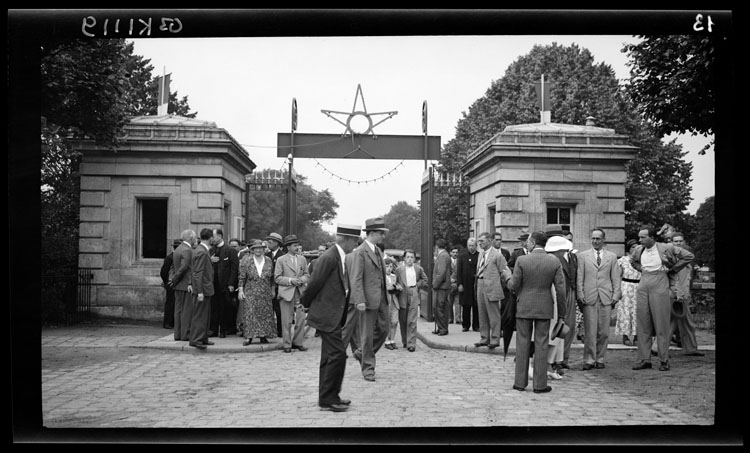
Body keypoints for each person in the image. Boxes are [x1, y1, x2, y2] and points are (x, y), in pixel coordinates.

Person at [300, 223, 361, 412]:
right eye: (354, 241)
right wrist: (305, 302)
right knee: (338, 355)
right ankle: (329, 397)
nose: (356, 244)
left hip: (333, 314)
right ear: (346, 240)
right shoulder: (329, 257)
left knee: (329, 356)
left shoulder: (338, 256)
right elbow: (315, 282)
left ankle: (327, 397)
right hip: (328, 315)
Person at [507, 231, 566, 394]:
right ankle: (540, 385)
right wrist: (562, 314)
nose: (526, 243)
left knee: (522, 343)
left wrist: (506, 277)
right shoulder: (554, 261)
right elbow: (561, 290)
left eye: (528, 241)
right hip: (544, 307)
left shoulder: (522, 260)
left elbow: (514, 285)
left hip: (524, 306)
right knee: (542, 344)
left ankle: (519, 382)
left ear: (533, 243)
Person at [631, 226, 695, 371]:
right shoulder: (639, 250)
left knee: (662, 323)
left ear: (652, 237)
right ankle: (644, 359)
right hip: (644, 282)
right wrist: (641, 269)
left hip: (661, 282)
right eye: (639, 237)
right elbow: (632, 262)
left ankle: (663, 359)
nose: (639, 240)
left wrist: (673, 268)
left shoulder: (666, 247)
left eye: (643, 237)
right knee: (643, 323)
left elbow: (689, 256)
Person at [348, 217, 390, 382]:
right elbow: (356, 278)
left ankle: (361, 353)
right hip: (367, 300)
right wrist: (359, 300)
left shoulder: (378, 251)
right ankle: (368, 368)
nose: (383, 236)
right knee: (366, 335)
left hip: (381, 298)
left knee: (384, 329)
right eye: (381, 233)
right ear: (372, 233)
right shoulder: (360, 252)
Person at [575, 228, 621, 370]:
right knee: (590, 331)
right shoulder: (583, 256)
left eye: (598, 239)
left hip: (606, 297)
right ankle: (589, 359)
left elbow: (616, 277)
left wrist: (616, 295)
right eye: (593, 238)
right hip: (589, 296)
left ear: (603, 240)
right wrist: (580, 294)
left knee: (604, 332)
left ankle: (600, 358)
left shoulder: (612, 257)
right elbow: (580, 277)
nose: (595, 241)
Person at [668, 233, 704, 357]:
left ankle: (691, 348)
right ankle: (658, 348)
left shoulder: (687, 258)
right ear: (671, 242)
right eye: (675, 241)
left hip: (684, 295)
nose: (678, 243)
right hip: (675, 295)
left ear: (684, 242)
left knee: (686, 322)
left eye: (680, 241)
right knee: (670, 322)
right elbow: (673, 278)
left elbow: (688, 279)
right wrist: (678, 294)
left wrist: (688, 294)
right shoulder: (670, 259)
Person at [474, 232, 511, 349]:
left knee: (493, 314)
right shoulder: (481, 255)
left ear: (489, 241)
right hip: (480, 284)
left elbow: (504, 270)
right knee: (482, 312)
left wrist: (509, 283)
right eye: (479, 241)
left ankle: (495, 338)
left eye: (482, 241)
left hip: (492, 286)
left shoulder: (497, 255)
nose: (479, 243)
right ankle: (484, 337)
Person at [544, 235, 574, 379]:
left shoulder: (549, 259)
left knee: (555, 333)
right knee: (554, 333)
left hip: (551, 298)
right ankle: (549, 364)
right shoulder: (554, 261)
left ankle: (553, 362)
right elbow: (559, 286)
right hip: (553, 299)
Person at [274, 234, 310, 353]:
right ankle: (287, 344)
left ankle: (298, 343)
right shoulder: (281, 260)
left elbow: (307, 274)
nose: (297, 247)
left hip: (300, 293)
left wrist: (302, 280)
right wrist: (290, 280)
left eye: (298, 245)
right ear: (288, 247)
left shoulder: (302, 259)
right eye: (294, 245)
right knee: (286, 321)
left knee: (301, 320)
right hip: (286, 293)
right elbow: (277, 278)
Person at [237, 239, 277, 346]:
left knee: (264, 313)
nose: (258, 250)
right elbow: (241, 277)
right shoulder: (247, 260)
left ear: (264, 249)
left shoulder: (268, 260)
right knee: (250, 313)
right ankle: (249, 337)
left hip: (265, 290)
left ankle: (263, 336)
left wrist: (273, 289)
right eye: (256, 248)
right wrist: (240, 290)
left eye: (260, 248)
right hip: (250, 290)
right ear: (252, 250)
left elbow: (272, 278)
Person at [394, 249, 428, 351]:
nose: (410, 259)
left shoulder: (418, 269)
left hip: (413, 291)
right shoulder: (399, 270)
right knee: (403, 319)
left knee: (412, 320)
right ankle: (405, 340)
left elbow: (425, 279)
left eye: (411, 257)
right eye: (408, 257)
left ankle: (411, 343)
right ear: (404, 258)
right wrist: (397, 286)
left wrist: (417, 285)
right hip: (402, 293)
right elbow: (394, 281)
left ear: (414, 259)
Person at [187, 228, 215, 350]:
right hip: (202, 289)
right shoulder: (201, 252)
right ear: (211, 238)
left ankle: (203, 337)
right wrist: (199, 292)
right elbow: (197, 273)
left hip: (205, 288)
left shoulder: (202, 250)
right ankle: (196, 339)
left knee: (205, 315)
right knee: (200, 315)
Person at [209, 229, 239, 338]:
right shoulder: (210, 250)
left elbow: (234, 268)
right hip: (213, 284)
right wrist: (210, 260)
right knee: (213, 307)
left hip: (225, 284)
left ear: (220, 236)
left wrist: (231, 283)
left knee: (224, 307)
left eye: (214, 236)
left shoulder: (230, 250)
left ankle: (223, 330)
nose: (212, 239)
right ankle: (213, 329)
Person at [168, 230, 196, 341]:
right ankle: (185, 334)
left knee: (178, 310)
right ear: (190, 238)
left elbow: (173, 267)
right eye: (194, 238)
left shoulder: (178, 249)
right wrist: (174, 279)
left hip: (178, 284)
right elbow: (184, 268)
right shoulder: (187, 250)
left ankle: (178, 334)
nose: (195, 240)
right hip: (185, 284)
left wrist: (172, 279)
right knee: (186, 311)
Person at [616, 239, 641, 347]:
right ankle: (625, 336)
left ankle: (637, 336)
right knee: (625, 311)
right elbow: (618, 275)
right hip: (626, 286)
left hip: (639, 286)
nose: (635, 249)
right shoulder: (623, 260)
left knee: (638, 312)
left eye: (637, 247)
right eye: (632, 247)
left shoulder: (643, 260)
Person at [455, 237, 480, 332]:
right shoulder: (462, 256)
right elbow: (459, 271)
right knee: (466, 305)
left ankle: (476, 325)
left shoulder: (479, 255)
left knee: (476, 305)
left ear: (476, 246)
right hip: (465, 284)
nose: (471, 248)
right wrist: (459, 284)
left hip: (476, 284)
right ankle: (465, 325)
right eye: (469, 245)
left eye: (473, 246)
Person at [265, 232, 286, 338]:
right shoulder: (266, 256)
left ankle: (280, 331)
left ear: (277, 243)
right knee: (268, 310)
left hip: (279, 287)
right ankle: (270, 331)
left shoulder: (283, 256)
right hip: (267, 287)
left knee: (279, 310)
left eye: (271, 241)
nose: (268, 243)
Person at [160, 238, 181, 329]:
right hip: (171, 283)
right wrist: (167, 282)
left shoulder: (173, 257)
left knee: (174, 303)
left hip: (174, 283)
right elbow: (163, 271)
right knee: (170, 303)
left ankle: (171, 322)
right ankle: (167, 322)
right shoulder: (170, 257)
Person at [383, 257, 403, 350]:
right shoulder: (381, 277)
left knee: (394, 321)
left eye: (391, 266)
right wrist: (388, 288)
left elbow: (398, 285)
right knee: (387, 321)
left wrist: (398, 287)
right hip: (386, 301)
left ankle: (392, 340)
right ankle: (387, 341)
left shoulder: (394, 276)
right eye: (387, 266)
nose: (389, 269)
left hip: (394, 301)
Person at [449, 245, 462, 325]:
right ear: (450, 253)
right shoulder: (448, 261)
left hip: (457, 283)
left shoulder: (460, 261)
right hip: (449, 284)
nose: (455, 254)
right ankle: (450, 318)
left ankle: (458, 318)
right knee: (449, 302)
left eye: (456, 252)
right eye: (453, 252)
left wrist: (458, 281)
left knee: (458, 302)